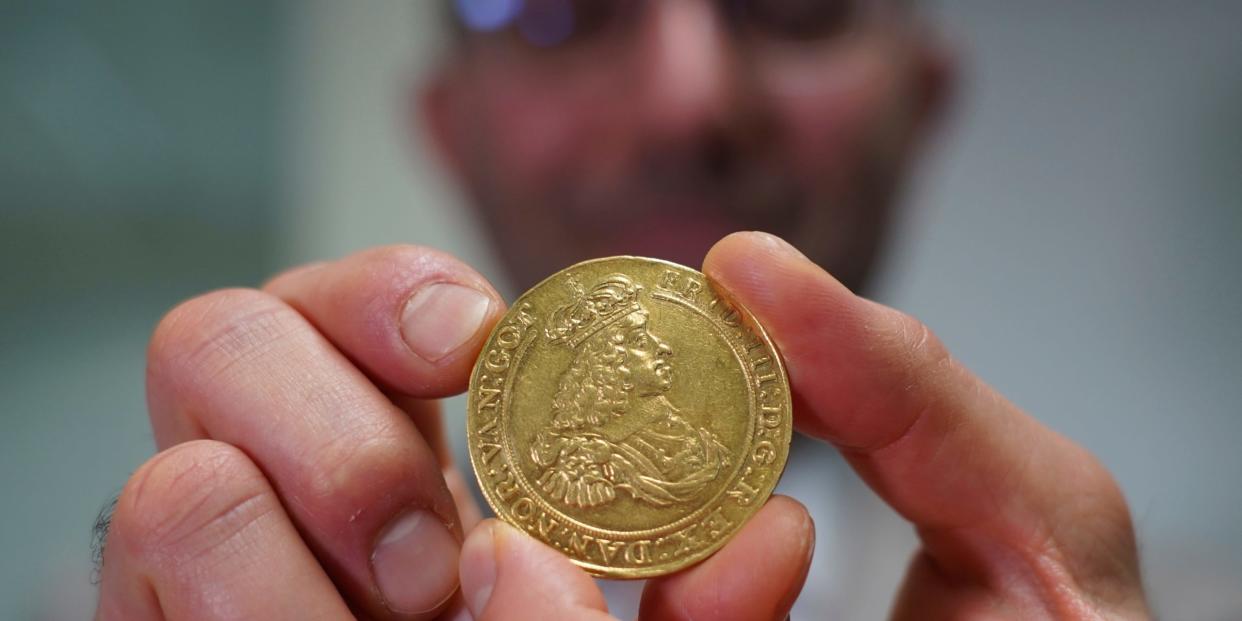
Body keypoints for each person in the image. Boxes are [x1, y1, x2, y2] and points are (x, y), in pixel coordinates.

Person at [93, 1, 1151, 619]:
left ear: (921, 103)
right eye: (559, 11)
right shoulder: (142, 595)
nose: (686, 99)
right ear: (449, 129)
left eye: (794, 4)